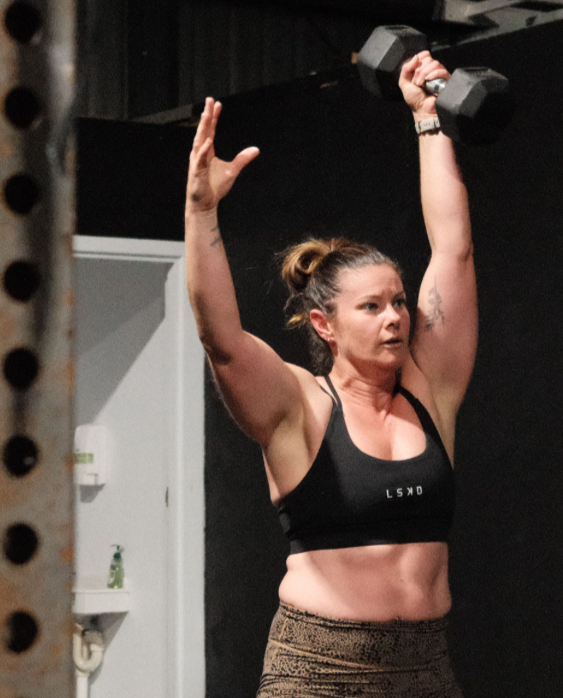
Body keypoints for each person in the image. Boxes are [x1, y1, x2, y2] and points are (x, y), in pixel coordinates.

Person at [184, 51, 477, 698]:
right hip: (321, 669)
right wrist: (202, 212)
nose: (396, 317)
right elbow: (222, 341)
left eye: (399, 301)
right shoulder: (300, 406)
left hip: (426, 666)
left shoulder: (433, 389)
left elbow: (452, 246)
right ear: (324, 324)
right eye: (371, 307)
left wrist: (429, 121)